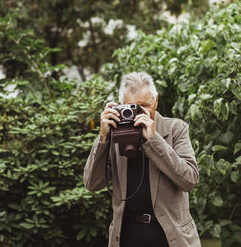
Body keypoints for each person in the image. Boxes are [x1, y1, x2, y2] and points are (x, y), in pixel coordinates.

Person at [83, 72, 201, 247]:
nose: (139, 113)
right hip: (127, 234)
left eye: (145, 105)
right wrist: (103, 138)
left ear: (156, 101)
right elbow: (92, 184)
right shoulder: (113, 133)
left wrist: (154, 140)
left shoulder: (176, 128)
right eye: (132, 107)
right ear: (120, 106)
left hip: (169, 235)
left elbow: (190, 180)